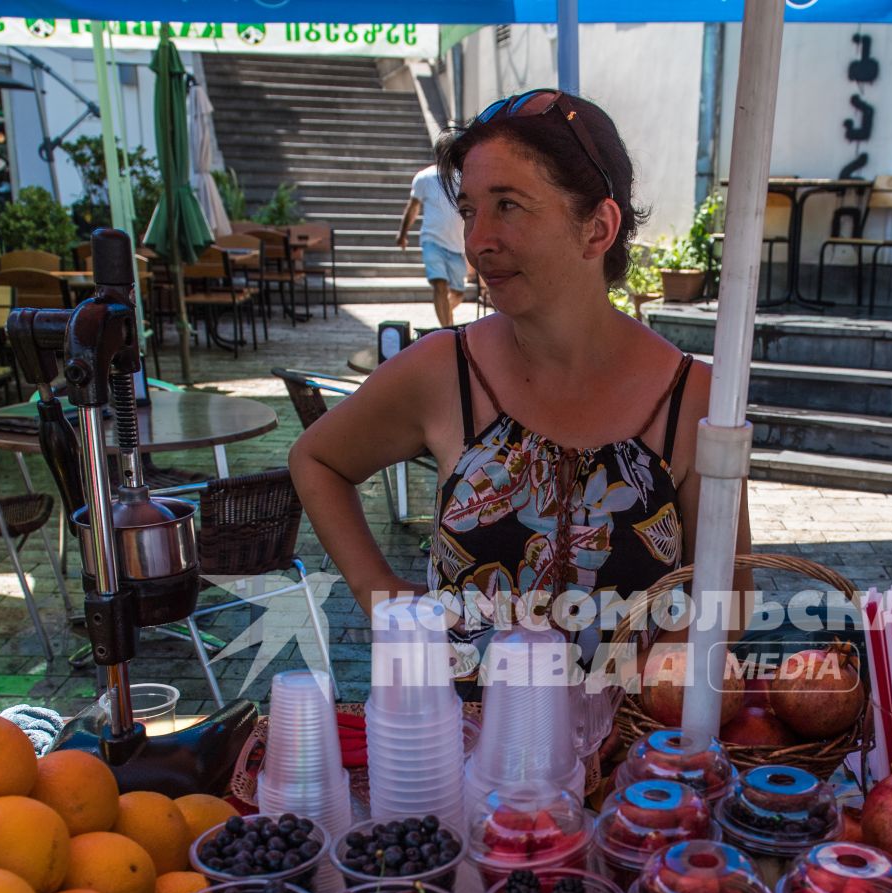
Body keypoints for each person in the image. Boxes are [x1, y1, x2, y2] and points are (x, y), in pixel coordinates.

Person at [292, 89, 752, 699]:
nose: (477, 242)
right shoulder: (443, 370)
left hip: (636, 777)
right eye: (469, 210)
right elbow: (316, 459)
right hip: (461, 765)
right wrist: (381, 598)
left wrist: (679, 657)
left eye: (508, 206)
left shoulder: (693, 398)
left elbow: (733, 595)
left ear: (597, 228)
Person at [399, 159, 467, 328]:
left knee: (458, 293)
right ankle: (447, 330)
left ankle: (445, 312)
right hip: (432, 240)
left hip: (457, 244)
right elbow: (413, 206)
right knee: (439, 285)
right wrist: (403, 233)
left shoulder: (463, 178)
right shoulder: (425, 177)